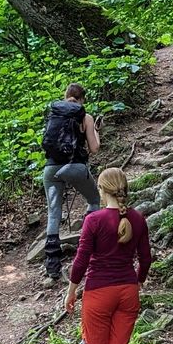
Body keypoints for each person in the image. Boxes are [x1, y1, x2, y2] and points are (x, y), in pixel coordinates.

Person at [67, 166, 150, 344]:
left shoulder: (95, 220)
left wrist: (71, 291)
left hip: (99, 293)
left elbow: (81, 260)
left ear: (102, 190)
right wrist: (136, 281)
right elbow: (146, 258)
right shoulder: (137, 219)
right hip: (127, 292)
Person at [41, 83, 102, 284]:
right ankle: (88, 247)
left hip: (51, 169)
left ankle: (52, 265)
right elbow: (94, 148)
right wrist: (96, 131)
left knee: (53, 213)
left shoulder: (54, 115)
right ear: (82, 99)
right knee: (94, 199)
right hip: (75, 167)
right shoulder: (85, 117)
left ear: (65, 96)